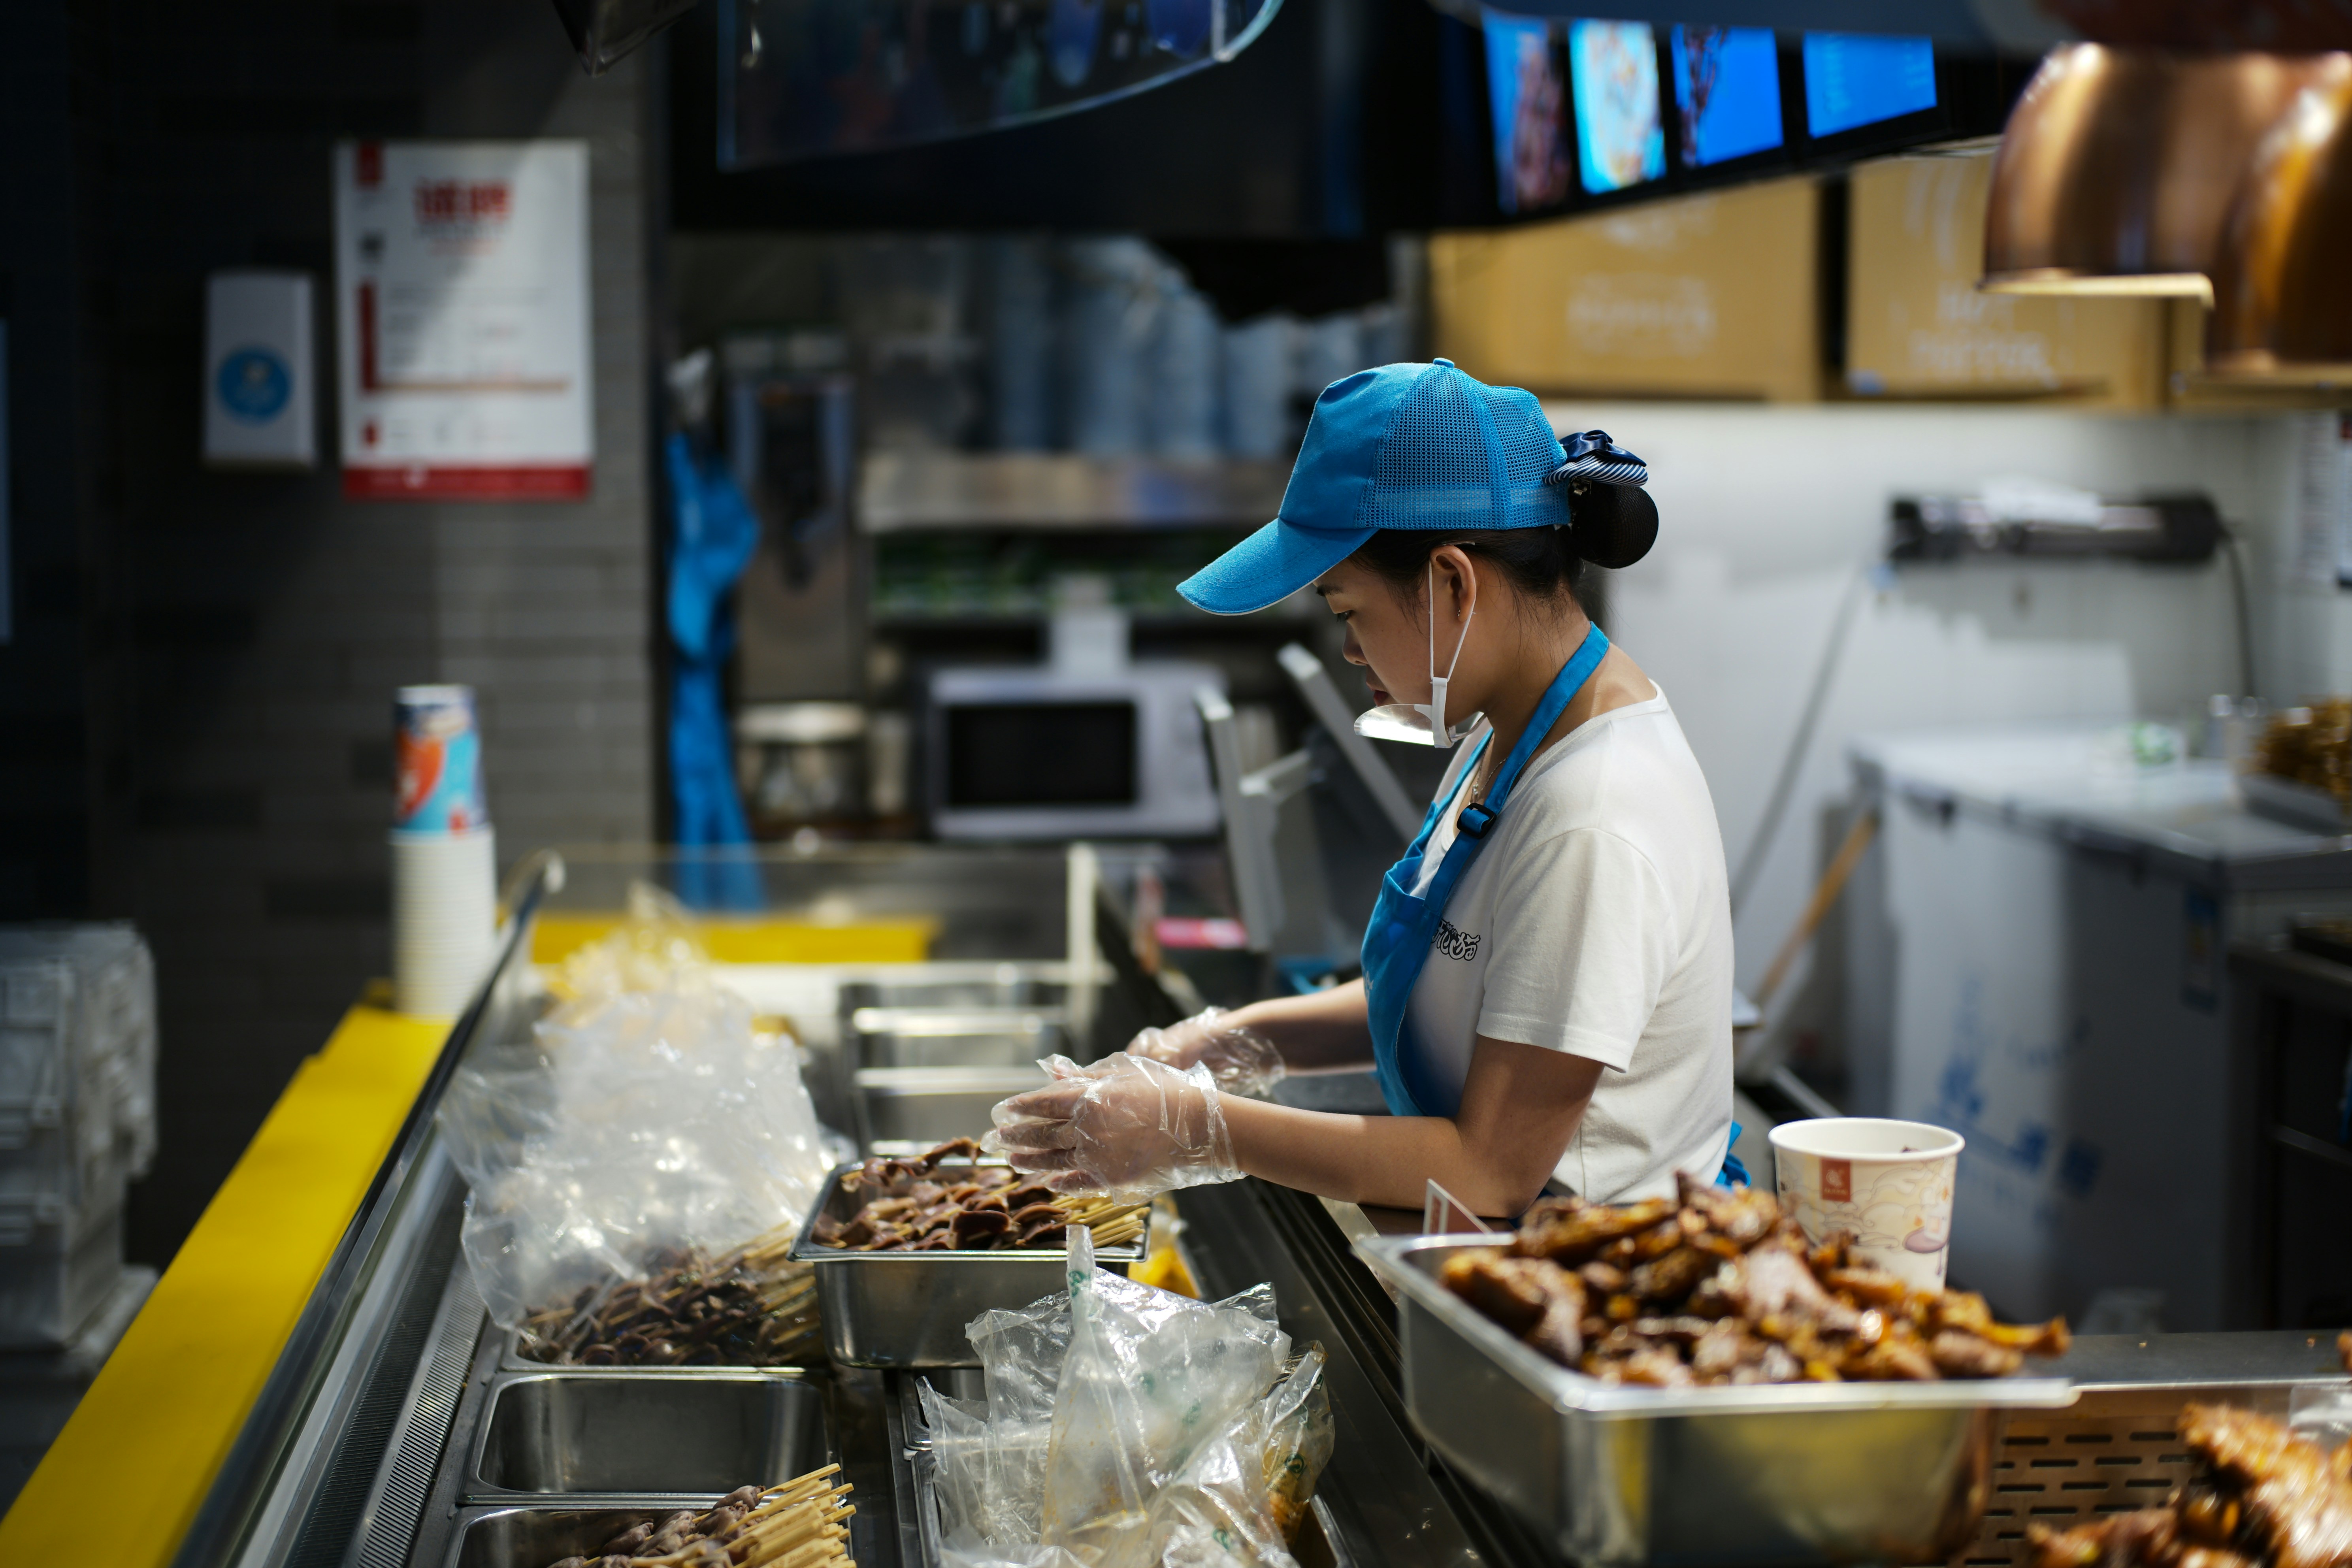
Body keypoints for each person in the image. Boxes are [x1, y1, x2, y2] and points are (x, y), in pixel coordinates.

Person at [989, 359, 1736, 1217]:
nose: (1349, 651)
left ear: (1453, 582)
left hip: (1593, 1298)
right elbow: (1458, 982)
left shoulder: (1593, 815)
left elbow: (1489, 1171)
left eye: (1347, 611)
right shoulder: (1511, 729)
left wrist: (1202, 1128)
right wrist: (1229, 1043)